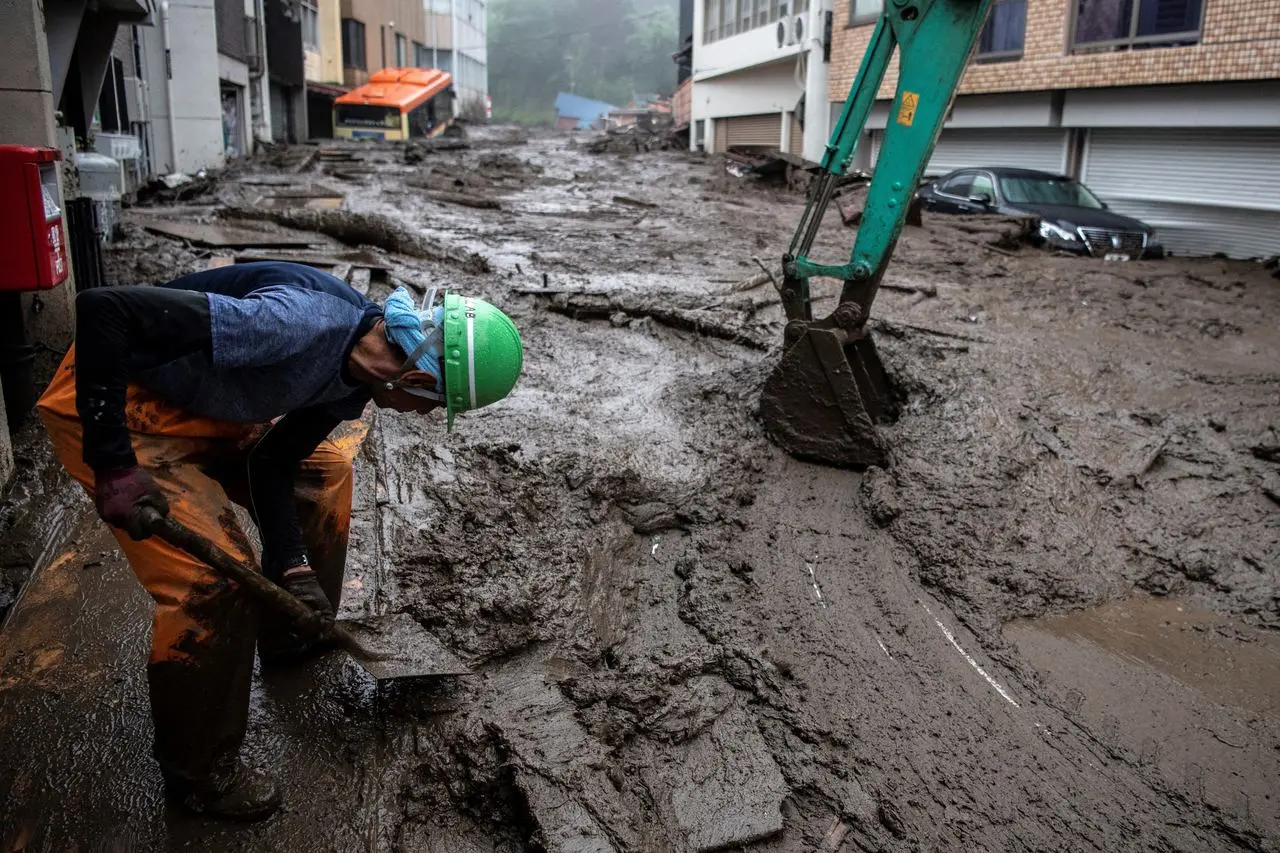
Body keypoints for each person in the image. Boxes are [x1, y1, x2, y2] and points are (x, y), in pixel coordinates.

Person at [35, 262, 522, 821]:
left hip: (207, 405)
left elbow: (274, 462)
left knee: (321, 475)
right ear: (415, 381)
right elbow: (104, 309)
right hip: (124, 408)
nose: (427, 416)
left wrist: (294, 568)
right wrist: (113, 463)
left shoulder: (355, 378)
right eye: (436, 407)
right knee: (213, 583)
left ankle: (294, 623)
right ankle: (201, 777)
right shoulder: (292, 323)